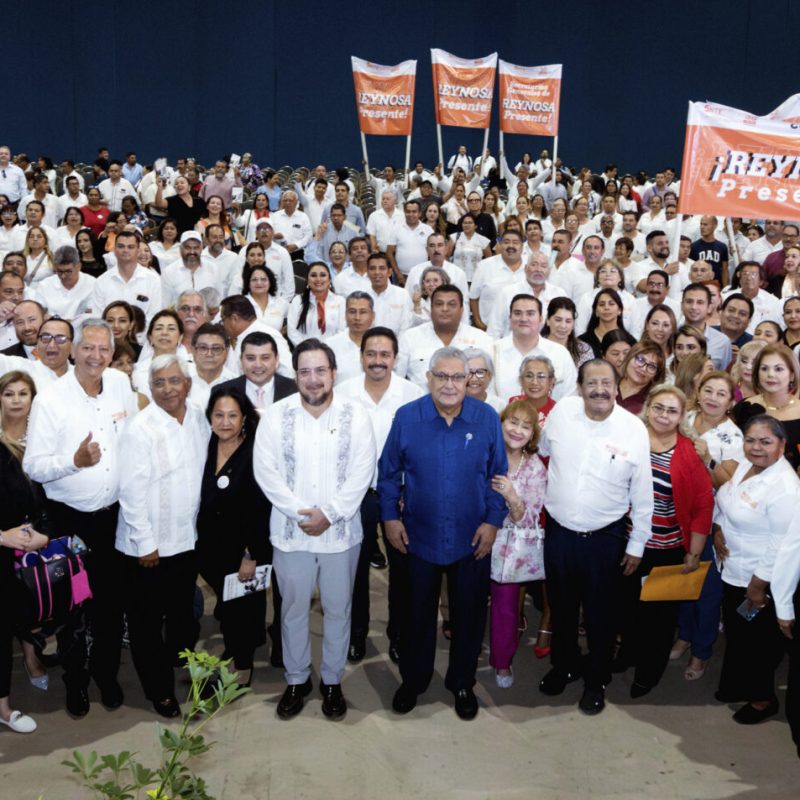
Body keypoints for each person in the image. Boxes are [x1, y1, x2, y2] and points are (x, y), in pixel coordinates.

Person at [379, 346, 507, 720]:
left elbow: (498, 475)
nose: (449, 384)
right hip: (418, 536)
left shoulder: (485, 418)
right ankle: (414, 680)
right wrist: (390, 518)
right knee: (416, 615)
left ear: (468, 380)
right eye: (442, 376)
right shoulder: (407, 417)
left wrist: (492, 522)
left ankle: (462, 682)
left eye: (457, 377)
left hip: (472, 538)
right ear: (429, 378)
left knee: (469, 616)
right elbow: (388, 473)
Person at [254, 339, 375, 721]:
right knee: (292, 610)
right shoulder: (276, 416)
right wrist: (301, 514)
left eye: (320, 370)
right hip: (292, 534)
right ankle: (296, 679)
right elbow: (266, 472)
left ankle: (332, 680)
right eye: (304, 371)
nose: (313, 379)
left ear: (334, 373)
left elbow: (362, 471)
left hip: (341, 535)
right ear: (295, 376)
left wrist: (330, 514)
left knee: (339, 609)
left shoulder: (356, 415)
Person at [23, 319, 138, 715]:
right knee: (71, 608)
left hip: (114, 518)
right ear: (73, 351)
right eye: (87, 347)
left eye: (103, 349)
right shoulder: (51, 399)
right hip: (69, 520)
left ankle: (106, 675)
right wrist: (73, 461)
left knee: (111, 604)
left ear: (112, 352)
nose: (95, 356)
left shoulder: (120, 384)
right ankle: (75, 682)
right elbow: (34, 466)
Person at [538, 358, 653, 715]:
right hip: (559, 532)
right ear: (579, 387)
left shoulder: (633, 429)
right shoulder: (562, 414)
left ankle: (596, 679)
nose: (599, 390)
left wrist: (637, 544)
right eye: (592, 383)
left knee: (601, 614)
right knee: (562, 607)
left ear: (617, 388)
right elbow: (543, 451)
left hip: (605, 538)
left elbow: (643, 491)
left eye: (606, 383)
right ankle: (565, 665)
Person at [116, 354, 208, 718]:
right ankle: (159, 691)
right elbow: (130, 492)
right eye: (158, 383)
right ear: (149, 389)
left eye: (174, 380)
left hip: (187, 540)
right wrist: (145, 542)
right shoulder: (140, 428)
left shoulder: (198, 417)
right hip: (149, 548)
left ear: (188, 384)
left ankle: (175, 661)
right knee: (147, 624)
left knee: (182, 614)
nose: (167, 389)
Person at [616, 385, 713, 697]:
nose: (664, 415)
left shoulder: (688, 451)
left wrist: (694, 552)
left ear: (682, 416)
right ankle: (628, 652)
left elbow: (703, 504)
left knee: (658, 618)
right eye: (658, 407)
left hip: (666, 547)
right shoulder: (629, 438)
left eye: (672, 411)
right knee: (626, 607)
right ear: (648, 407)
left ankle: (649, 671)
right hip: (625, 541)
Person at [336, 327, 423, 662]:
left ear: (395, 359)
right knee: (354, 571)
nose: (377, 361)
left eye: (385, 354)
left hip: (399, 497)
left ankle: (398, 634)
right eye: (371, 354)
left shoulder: (413, 395)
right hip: (355, 497)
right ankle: (356, 633)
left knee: (402, 571)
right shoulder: (342, 394)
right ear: (361, 358)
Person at [714, 415, 800, 723]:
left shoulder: (785, 488)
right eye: (750, 440)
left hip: (757, 577)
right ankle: (738, 685)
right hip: (733, 569)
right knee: (738, 634)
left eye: (766, 441)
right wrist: (717, 527)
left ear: (782, 444)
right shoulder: (746, 466)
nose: (756, 447)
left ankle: (763, 700)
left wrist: (757, 585)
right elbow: (728, 500)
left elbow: (781, 544)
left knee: (757, 644)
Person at [197, 388, 271, 686]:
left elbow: (261, 509)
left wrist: (251, 555)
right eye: (219, 415)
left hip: (244, 550)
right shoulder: (206, 444)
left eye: (232, 416)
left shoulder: (255, 452)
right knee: (229, 608)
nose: (225, 422)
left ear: (243, 419)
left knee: (242, 609)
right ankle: (238, 648)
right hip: (209, 546)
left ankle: (241, 669)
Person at [489, 399, 548, 688]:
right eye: (513, 422)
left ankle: (502, 662)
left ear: (533, 434)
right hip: (473, 539)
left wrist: (512, 496)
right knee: (469, 602)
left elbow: (530, 520)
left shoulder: (535, 468)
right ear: (501, 423)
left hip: (510, 548)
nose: (517, 430)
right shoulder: (485, 453)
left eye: (526, 426)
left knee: (506, 608)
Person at [493, 295, 577, 402]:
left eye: (530, 313)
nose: (523, 319)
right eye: (517, 313)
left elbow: (570, 397)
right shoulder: (494, 351)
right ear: (510, 318)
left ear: (541, 319)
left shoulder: (560, 353)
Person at [732, 343, 800, 471]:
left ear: (792, 374)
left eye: (778, 369)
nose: (770, 374)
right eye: (764, 368)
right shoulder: (744, 408)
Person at [287, 262, 345, 346]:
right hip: (305, 350)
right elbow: (292, 331)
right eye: (313, 275)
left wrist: (327, 350)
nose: (318, 279)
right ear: (307, 280)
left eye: (323, 275)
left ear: (329, 280)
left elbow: (342, 331)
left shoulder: (340, 301)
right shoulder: (297, 301)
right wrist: (308, 350)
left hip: (334, 350)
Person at [543, 296, 595, 369]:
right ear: (548, 320)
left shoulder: (584, 350)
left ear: (573, 324)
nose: (563, 326)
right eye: (558, 320)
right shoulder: (537, 347)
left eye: (568, 321)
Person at [616, 341, 666, 414]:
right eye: (640, 360)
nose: (643, 369)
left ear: (656, 374)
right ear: (629, 357)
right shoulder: (610, 383)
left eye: (652, 366)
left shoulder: (655, 400)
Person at [243, 263, 288, 331]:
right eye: (254, 280)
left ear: (270, 282)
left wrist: (280, 335)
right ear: (248, 284)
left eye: (263, 279)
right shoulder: (241, 303)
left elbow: (295, 320)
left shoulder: (281, 303)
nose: (259, 283)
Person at [462, 347, 504, 412]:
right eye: (469, 372)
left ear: (490, 376)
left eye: (480, 372)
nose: (474, 379)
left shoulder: (500, 406)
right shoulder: (450, 403)